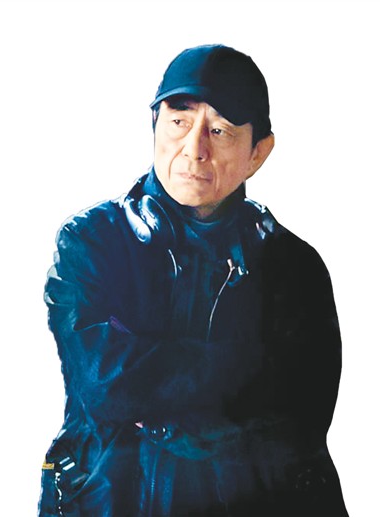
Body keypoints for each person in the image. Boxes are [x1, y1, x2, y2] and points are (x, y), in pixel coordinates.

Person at [38, 44, 349, 516]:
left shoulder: (295, 268)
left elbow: (299, 413)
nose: (194, 149)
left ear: (258, 152)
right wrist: (246, 368)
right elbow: (103, 383)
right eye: (179, 121)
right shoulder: (91, 243)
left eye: (219, 130)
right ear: (155, 125)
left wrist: (153, 380)